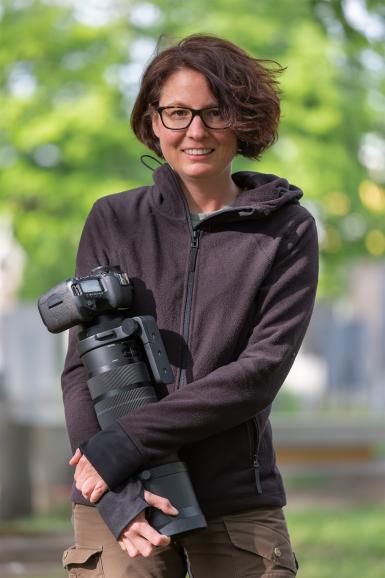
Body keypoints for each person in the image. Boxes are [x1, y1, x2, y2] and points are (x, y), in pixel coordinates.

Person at [61, 33, 318, 577]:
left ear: (242, 120)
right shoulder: (114, 219)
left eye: (214, 112)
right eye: (176, 112)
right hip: (123, 500)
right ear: (153, 121)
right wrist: (115, 493)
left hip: (236, 501)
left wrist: (126, 441)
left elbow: (258, 373)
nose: (195, 131)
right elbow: (83, 370)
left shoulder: (288, 230)